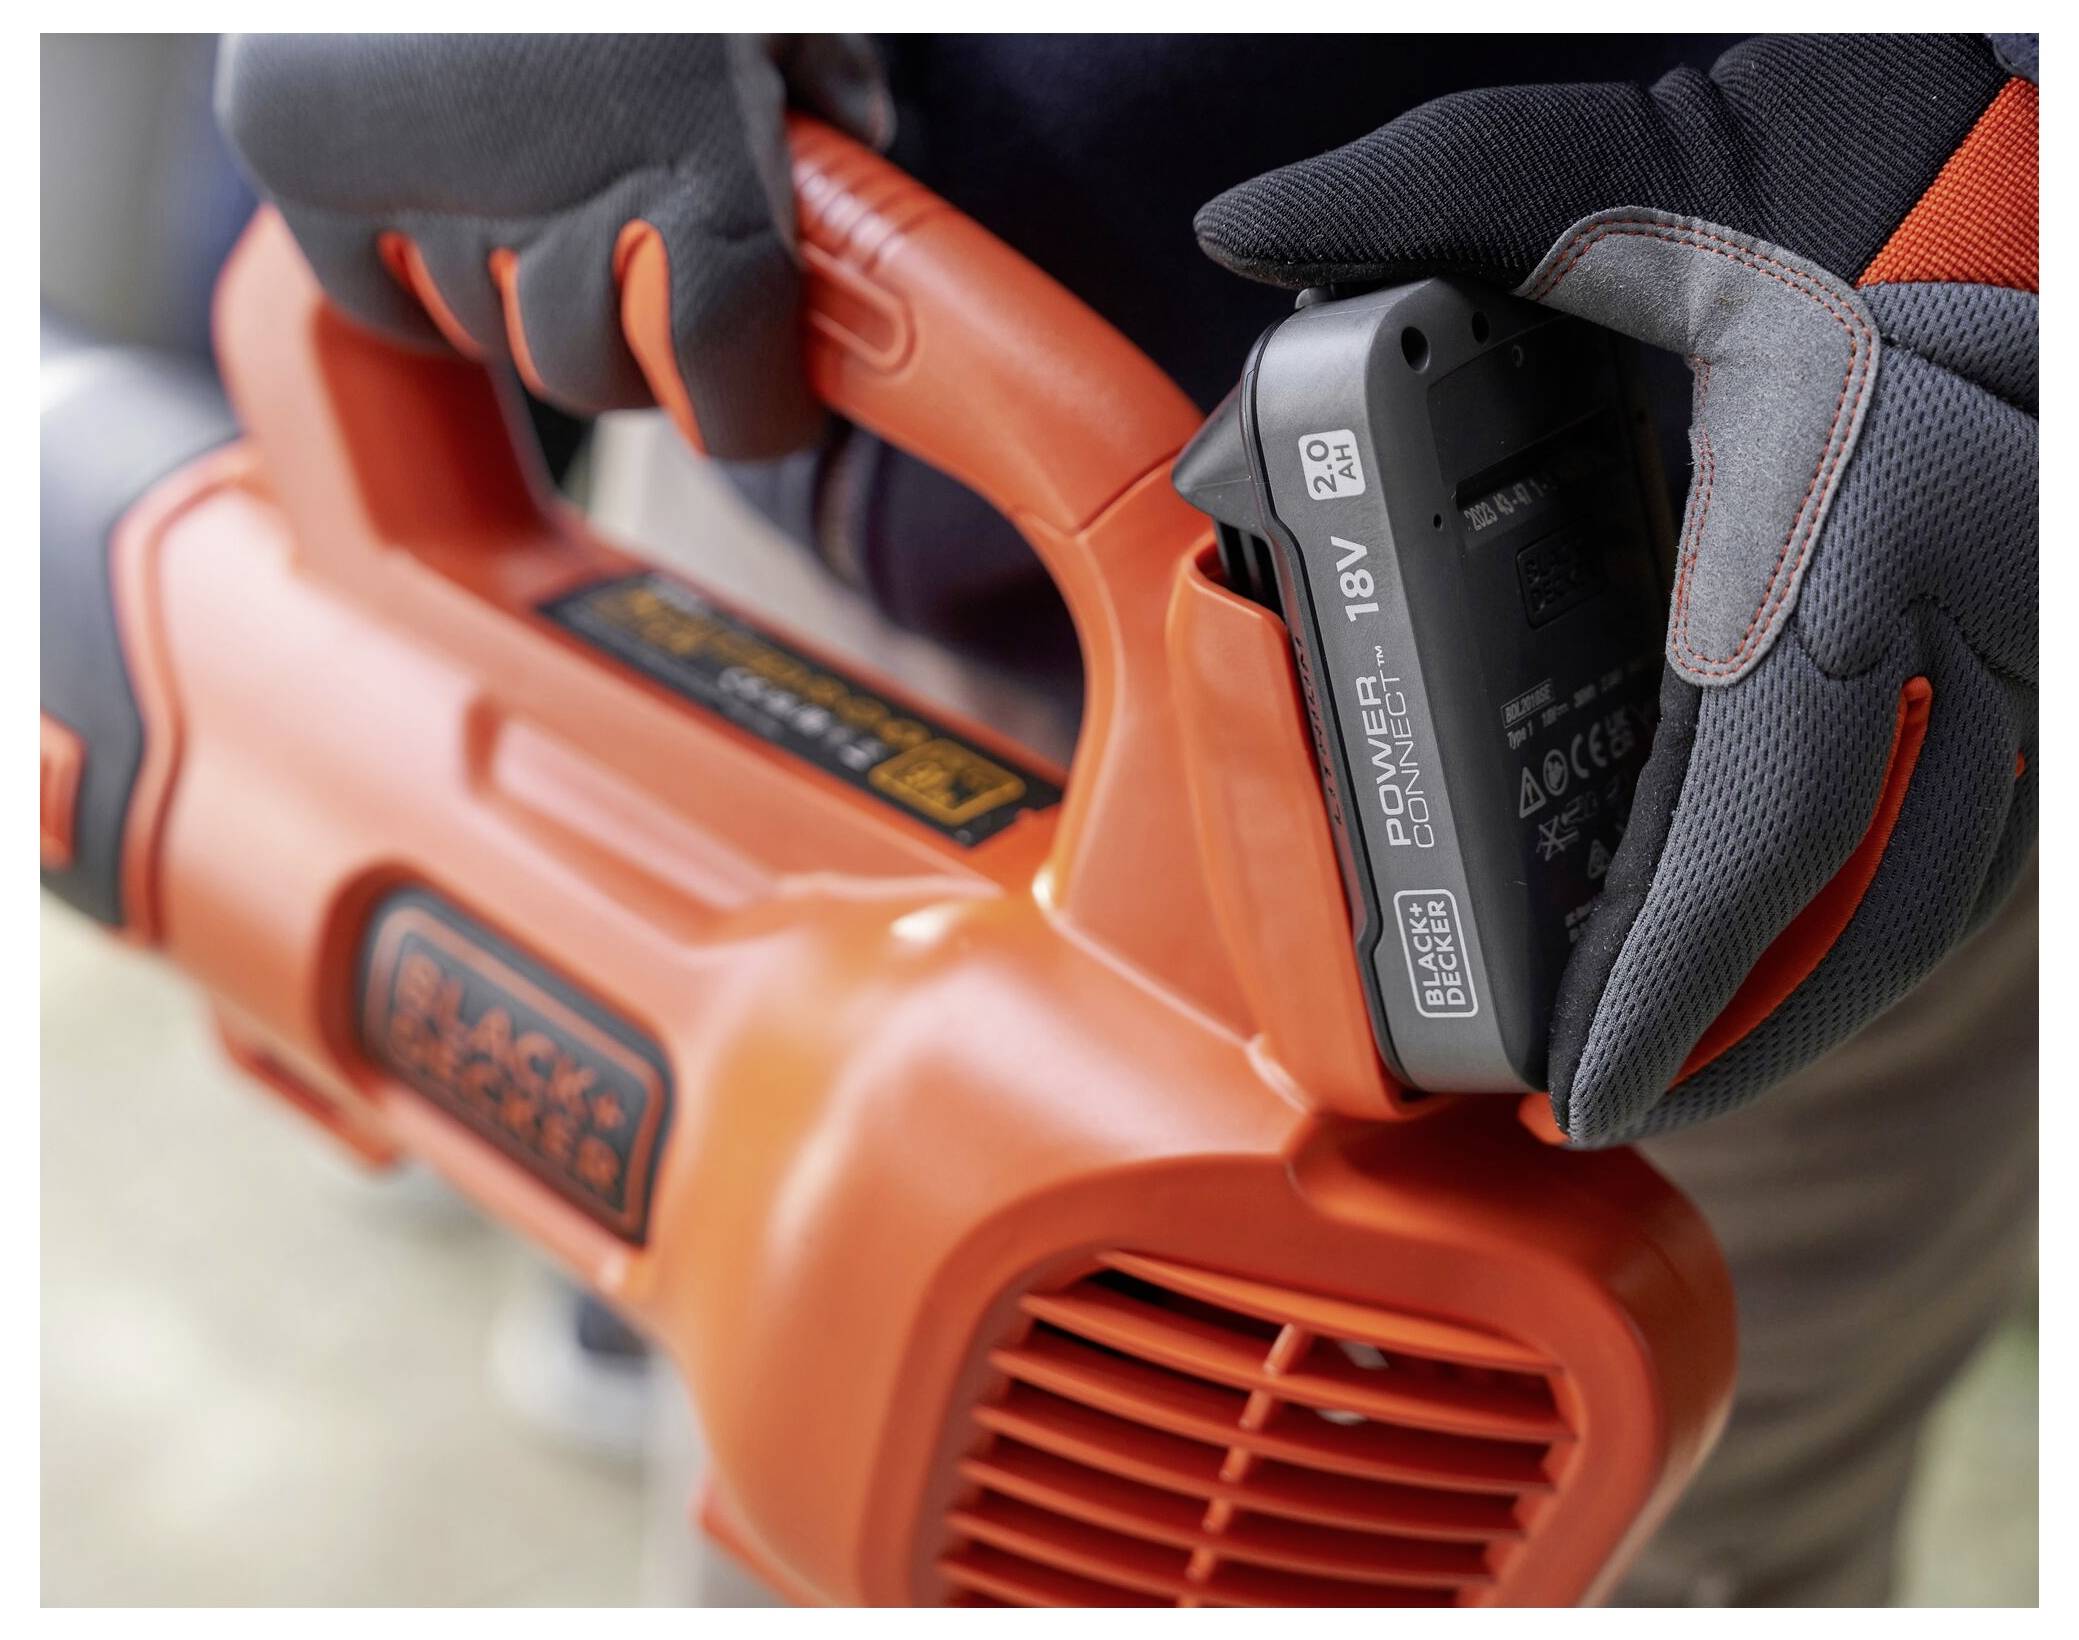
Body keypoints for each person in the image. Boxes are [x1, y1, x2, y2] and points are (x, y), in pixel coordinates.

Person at [215, 33, 2038, 1605]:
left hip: (1803, 685)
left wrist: (2014, 197)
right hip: (736, 407)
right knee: (835, 1458)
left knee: (1665, 1544)